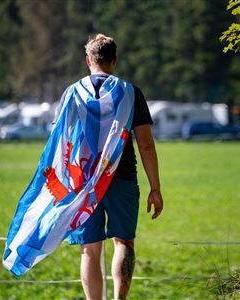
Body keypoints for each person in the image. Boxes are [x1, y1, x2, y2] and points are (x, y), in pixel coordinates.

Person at [61, 33, 164, 299]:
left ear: (88, 60)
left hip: (83, 183)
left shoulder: (72, 93)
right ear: (114, 61)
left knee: (89, 248)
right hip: (122, 178)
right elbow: (146, 145)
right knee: (123, 242)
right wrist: (156, 187)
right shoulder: (131, 92)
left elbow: (60, 143)